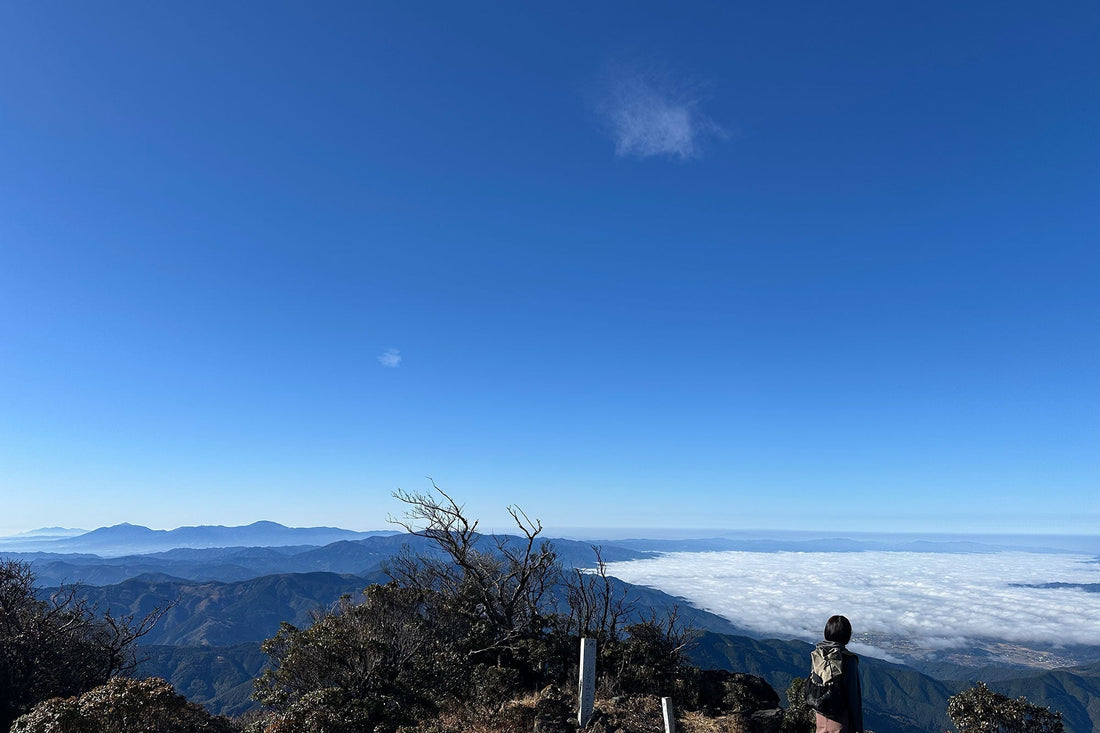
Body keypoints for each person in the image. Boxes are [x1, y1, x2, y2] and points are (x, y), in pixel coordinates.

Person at [811, 614, 863, 733]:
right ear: (847, 635)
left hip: (821, 717)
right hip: (840, 720)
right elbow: (853, 697)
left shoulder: (818, 655)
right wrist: (858, 728)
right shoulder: (848, 660)